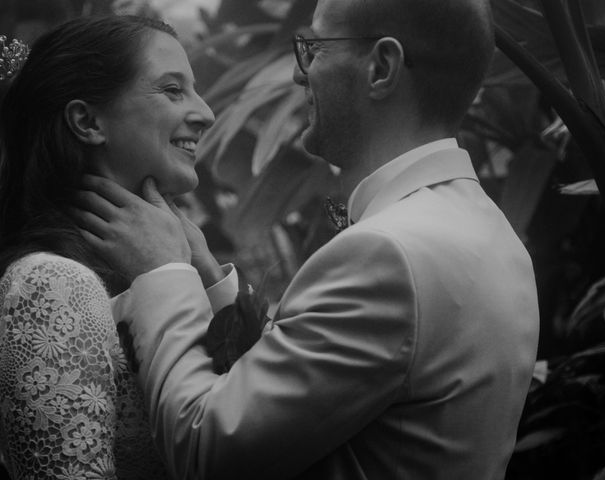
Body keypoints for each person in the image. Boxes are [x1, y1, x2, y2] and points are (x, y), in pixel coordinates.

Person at [74, 0, 540, 478]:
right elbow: (312, 385)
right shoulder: (493, 233)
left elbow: (205, 448)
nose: (300, 75)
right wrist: (208, 279)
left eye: (314, 48)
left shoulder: (388, 253)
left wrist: (162, 273)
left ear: (381, 67)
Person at [0, 15, 215, 479]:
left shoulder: (178, 264)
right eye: (173, 90)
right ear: (87, 120)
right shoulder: (51, 283)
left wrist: (207, 277)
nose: (206, 112)